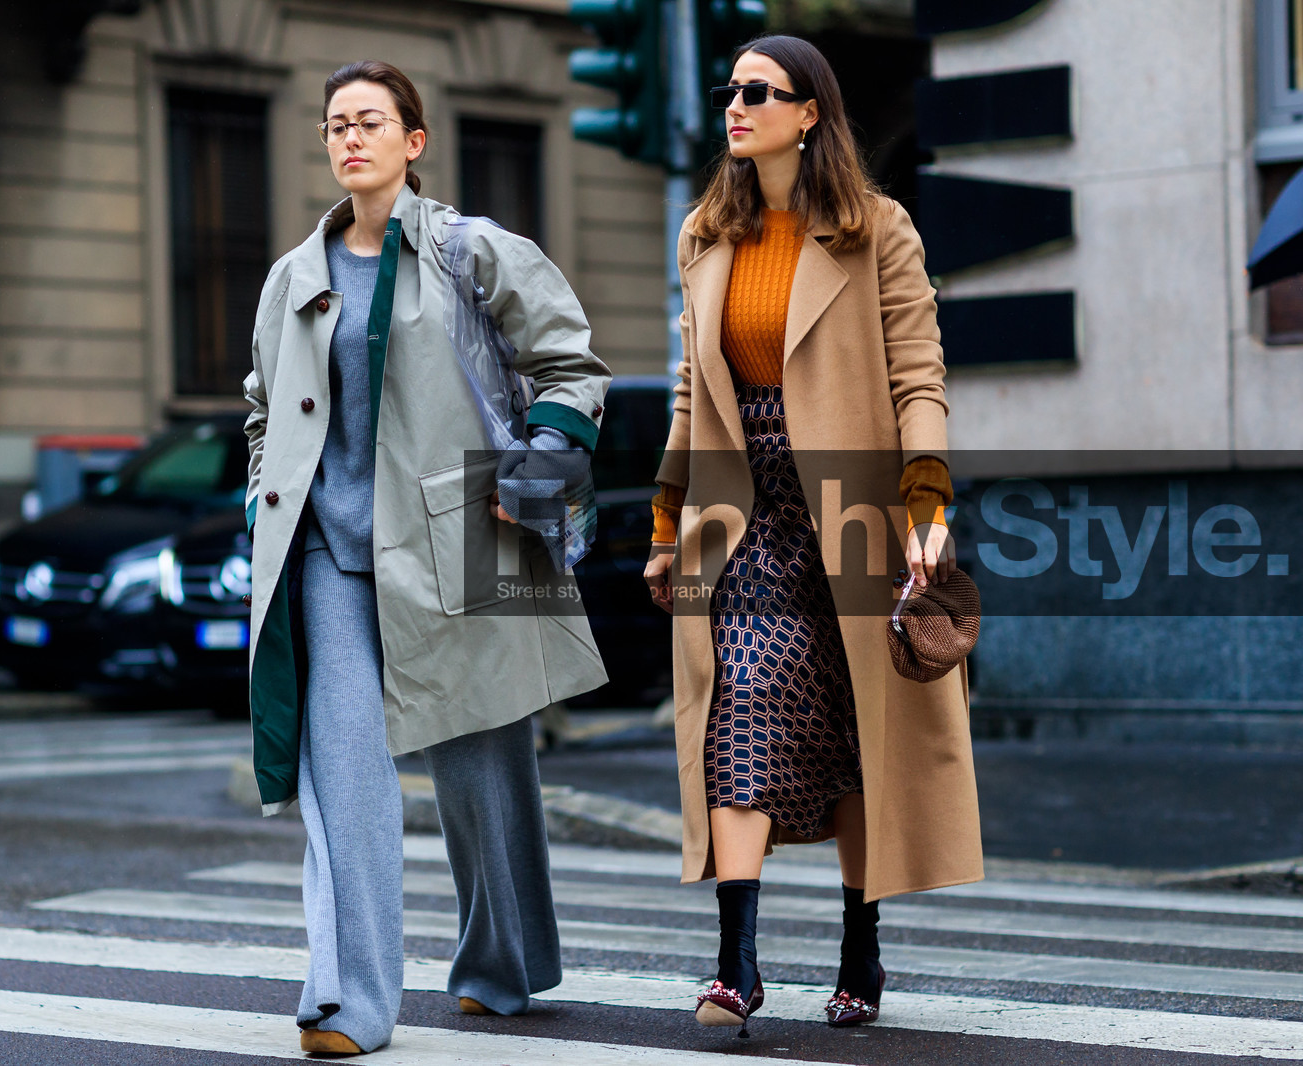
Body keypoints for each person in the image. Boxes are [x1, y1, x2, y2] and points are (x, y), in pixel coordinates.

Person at [241, 60, 612, 1056]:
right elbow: (263, 411)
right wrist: (260, 495)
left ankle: (504, 961)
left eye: (370, 121)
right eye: (334, 125)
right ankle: (346, 999)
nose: (348, 138)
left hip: (461, 537)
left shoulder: (468, 250)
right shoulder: (294, 278)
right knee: (342, 775)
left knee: (483, 765)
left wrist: (540, 461)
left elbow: (569, 360)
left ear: (413, 141)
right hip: (329, 554)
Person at [641, 34, 984, 1034]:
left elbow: (919, 376)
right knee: (738, 706)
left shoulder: (876, 230)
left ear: (809, 113)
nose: (734, 107)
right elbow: (685, 393)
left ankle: (859, 945)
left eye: (758, 91)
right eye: (728, 90)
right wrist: (666, 526)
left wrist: (926, 509)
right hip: (740, 510)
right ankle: (735, 966)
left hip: (852, 510)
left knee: (852, 733)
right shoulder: (706, 233)